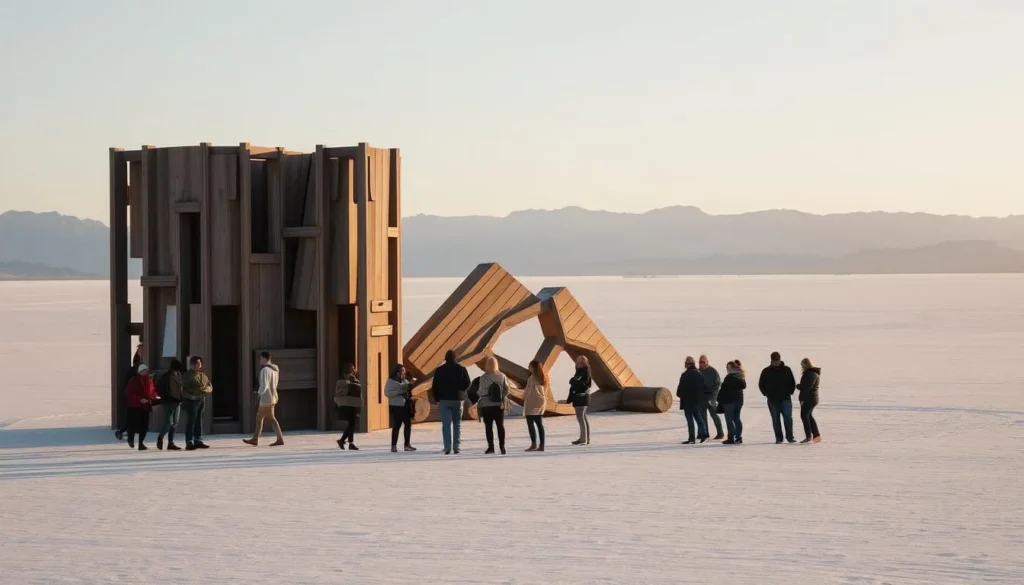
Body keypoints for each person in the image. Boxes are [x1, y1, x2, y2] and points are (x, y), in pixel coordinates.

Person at [431, 350, 471, 455]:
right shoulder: (461, 369)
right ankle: (456, 447)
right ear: (455, 358)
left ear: (445, 358)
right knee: (457, 424)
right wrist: (461, 390)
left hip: (444, 400)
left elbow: (434, 385)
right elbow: (468, 383)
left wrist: (436, 398)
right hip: (458, 400)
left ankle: (447, 447)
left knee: (446, 424)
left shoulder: (439, 370)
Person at [244, 351, 284, 447]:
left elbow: (264, 385)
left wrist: (259, 393)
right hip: (273, 396)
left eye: (261, 358)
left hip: (266, 398)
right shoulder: (275, 369)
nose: (260, 360)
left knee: (268, 418)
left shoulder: (265, 370)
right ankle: (256, 438)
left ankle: (277, 439)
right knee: (261, 418)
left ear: (265, 359)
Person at [759, 351, 797, 444]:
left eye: (777, 360)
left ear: (780, 360)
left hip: (785, 398)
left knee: (788, 418)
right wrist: (766, 393)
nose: (776, 362)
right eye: (774, 360)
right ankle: (779, 438)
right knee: (775, 419)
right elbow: (761, 384)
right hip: (772, 399)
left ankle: (790, 437)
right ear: (771, 360)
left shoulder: (786, 369)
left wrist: (790, 392)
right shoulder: (766, 371)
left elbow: (792, 382)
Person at [476, 356, 511, 455]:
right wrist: (501, 396)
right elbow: (507, 389)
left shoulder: (484, 377)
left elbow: (480, 392)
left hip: (486, 405)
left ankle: (491, 448)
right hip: (499, 405)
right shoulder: (502, 376)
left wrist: (485, 393)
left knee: (488, 427)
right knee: (500, 426)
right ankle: (502, 447)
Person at [181, 355, 213, 450]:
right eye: (194, 363)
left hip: (201, 399)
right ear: (191, 364)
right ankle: (189, 441)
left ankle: (197, 439)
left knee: (199, 420)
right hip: (191, 400)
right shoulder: (187, 376)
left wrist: (206, 390)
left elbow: (209, 386)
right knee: (191, 421)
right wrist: (189, 396)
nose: (196, 365)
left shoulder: (202, 375)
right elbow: (182, 388)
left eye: (198, 363)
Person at [124, 364, 159, 450]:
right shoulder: (134, 380)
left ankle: (141, 443)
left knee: (144, 425)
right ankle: (131, 439)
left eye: (147, 370)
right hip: (134, 405)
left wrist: (155, 396)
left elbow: (152, 390)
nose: (147, 372)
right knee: (133, 423)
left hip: (145, 405)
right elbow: (129, 392)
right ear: (140, 372)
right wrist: (139, 399)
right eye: (145, 370)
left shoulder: (149, 380)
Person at [115, 341, 145, 441]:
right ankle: (122, 431)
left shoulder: (140, 365)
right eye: (140, 350)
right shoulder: (135, 368)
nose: (142, 352)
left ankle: (125, 431)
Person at [384, 364, 417, 452]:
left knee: (407, 423)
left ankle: (406, 444)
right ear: (397, 371)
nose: (404, 372)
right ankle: (394, 446)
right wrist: (400, 390)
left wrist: (410, 384)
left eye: (404, 370)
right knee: (397, 425)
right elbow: (387, 393)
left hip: (405, 404)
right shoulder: (391, 381)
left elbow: (407, 388)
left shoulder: (404, 380)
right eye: (402, 370)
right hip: (396, 405)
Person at [155, 358, 185, 451]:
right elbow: (165, 390)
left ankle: (171, 443)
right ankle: (160, 437)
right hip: (169, 402)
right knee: (169, 422)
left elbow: (180, 388)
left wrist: (181, 398)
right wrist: (174, 398)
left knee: (175, 423)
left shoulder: (178, 375)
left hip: (177, 401)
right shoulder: (166, 376)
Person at [523, 360, 553, 452]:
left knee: (530, 424)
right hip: (541, 402)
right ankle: (542, 445)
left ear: (533, 367)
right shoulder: (545, 377)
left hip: (532, 402)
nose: (528, 367)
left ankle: (533, 444)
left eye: (529, 366)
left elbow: (527, 391)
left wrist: (523, 396)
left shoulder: (532, 378)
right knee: (539, 424)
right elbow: (546, 391)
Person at [677, 356, 708, 444]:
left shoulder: (684, 375)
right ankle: (704, 435)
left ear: (686, 364)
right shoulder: (699, 374)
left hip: (687, 401)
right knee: (699, 418)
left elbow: (679, 390)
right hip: (697, 401)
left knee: (690, 420)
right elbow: (705, 388)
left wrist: (681, 395)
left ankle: (691, 438)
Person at [334, 363, 362, 450]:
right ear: (349, 369)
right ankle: (342, 440)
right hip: (348, 404)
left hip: (351, 403)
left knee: (351, 423)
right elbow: (353, 389)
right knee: (352, 423)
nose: (354, 370)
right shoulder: (348, 380)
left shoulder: (352, 379)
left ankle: (350, 443)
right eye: (353, 368)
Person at [718, 360, 747, 445]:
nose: (727, 369)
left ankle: (732, 437)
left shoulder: (732, 377)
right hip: (738, 400)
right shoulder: (739, 376)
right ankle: (737, 437)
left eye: (728, 368)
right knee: (736, 418)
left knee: (730, 420)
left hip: (730, 401)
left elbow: (725, 389)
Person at [566, 355, 593, 445]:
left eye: (580, 362)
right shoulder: (579, 372)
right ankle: (584, 438)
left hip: (582, 397)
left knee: (581, 418)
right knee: (583, 418)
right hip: (578, 397)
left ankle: (584, 439)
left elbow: (583, 385)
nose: (578, 364)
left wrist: (573, 381)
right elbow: (576, 383)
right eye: (578, 362)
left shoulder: (585, 371)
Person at [699, 354, 725, 440]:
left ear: (707, 362)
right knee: (702, 417)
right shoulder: (698, 372)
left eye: (703, 361)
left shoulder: (713, 371)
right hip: (702, 397)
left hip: (711, 397)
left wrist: (713, 397)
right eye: (700, 362)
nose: (701, 363)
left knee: (714, 415)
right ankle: (704, 433)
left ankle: (720, 433)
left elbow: (717, 385)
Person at [797, 358, 822, 443]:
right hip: (811, 398)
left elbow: (807, 387)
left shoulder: (810, 373)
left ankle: (809, 436)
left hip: (809, 398)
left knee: (804, 416)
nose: (802, 367)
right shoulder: (811, 373)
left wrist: (799, 386)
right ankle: (816, 435)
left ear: (806, 364)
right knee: (808, 416)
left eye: (802, 365)